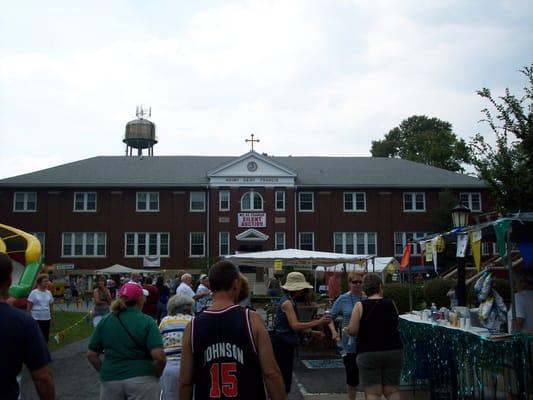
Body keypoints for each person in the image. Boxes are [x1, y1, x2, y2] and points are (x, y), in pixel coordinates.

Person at [179, 261, 286, 400]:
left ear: (210, 286)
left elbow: (185, 382)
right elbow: (271, 372)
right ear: (236, 284)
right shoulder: (251, 319)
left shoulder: (192, 326)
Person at [87, 282, 166, 400]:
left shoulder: (105, 321)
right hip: (142, 378)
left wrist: (105, 371)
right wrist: (156, 374)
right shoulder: (147, 322)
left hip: (111, 379)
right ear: (140, 299)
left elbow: (91, 354)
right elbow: (159, 357)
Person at [0, 253, 55, 400]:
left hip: (44, 318)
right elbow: (42, 377)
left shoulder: (23, 321)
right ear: (11, 280)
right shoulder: (22, 322)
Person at [272, 271, 331, 394]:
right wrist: (318, 322)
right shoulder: (288, 303)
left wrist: (312, 332)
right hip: (282, 345)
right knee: (283, 377)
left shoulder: (289, 301)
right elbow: (295, 325)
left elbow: (291, 326)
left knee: (284, 377)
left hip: (284, 343)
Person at [348, 273, 403, 400]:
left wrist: (348, 330)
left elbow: (353, 330)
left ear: (364, 289)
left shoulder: (359, 306)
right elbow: (396, 323)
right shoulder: (391, 303)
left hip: (368, 352)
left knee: (373, 393)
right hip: (393, 350)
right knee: (392, 391)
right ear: (380, 287)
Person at [330, 271, 365, 400]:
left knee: (368, 376)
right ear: (349, 283)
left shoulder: (366, 298)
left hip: (365, 342)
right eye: (354, 282)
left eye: (360, 282)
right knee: (352, 376)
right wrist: (334, 332)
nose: (357, 285)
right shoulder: (343, 298)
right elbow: (329, 318)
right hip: (348, 344)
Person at [159, 294, 194, 400]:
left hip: (169, 366)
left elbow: (159, 342)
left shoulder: (165, 321)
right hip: (190, 366)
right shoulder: (193, 321)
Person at [27, 274, 54, 343]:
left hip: (46, 319)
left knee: (45, 338)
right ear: (39, 282)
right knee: (36, 338)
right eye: (45, 281)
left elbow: (51, 307)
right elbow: (29, 308)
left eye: (47, 281)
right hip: (36, 319)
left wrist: (52, 319)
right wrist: (29, 320)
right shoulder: (34, 293)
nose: (47, 283)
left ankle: (44, 352)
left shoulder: (49, 293)